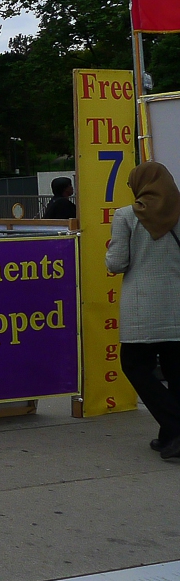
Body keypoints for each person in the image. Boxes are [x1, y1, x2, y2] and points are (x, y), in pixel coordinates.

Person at [104, 161, 180, 460]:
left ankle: (175, 426)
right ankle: (168, 436)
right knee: (176, 371)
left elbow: (116, 263)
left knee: (134, 365)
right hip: (177, 303)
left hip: (143, 305)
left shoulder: (126, 215)